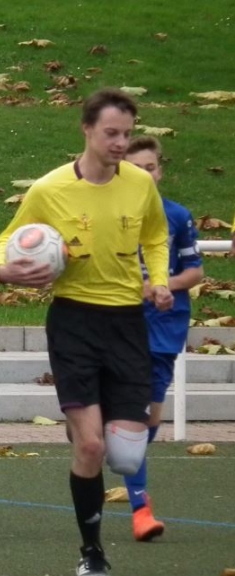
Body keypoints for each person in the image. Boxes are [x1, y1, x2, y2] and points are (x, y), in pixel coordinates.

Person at [0, 88, 171, 576]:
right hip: (74, 322)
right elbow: (6, 239)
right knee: (91, 448)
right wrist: (5, 271)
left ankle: (88, 426)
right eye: (111, 133)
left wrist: (158, 280)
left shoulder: (140, 184)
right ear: (87, 129)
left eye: (127, 134)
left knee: (126, 456)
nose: (120, 143)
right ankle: (92, 551)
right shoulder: (50, 189)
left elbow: (156, 235)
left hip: (127, 325)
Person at [123, 135, 203, 541]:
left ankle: (120, 454)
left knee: (151, 418)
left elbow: (195, 271)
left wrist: (161, 286)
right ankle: (140, 506)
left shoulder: (177, 215)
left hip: (166, 327)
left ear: (160, 171)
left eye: (150, 167)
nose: (144, 174)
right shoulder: (115, 213)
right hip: (122, 324)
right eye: (135, 168)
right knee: (136, 417)